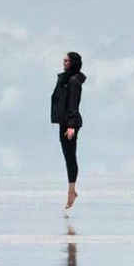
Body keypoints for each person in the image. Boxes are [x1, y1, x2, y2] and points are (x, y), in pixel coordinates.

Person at [51, 51, 86, 210]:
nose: (64, 63)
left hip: (70, 124)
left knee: (70, 156)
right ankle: (71, 190)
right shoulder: (65, 79)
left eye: (67, 61)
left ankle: (71, 192)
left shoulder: (73, 81)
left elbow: (73, 103)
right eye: (63, 60)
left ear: (73, 63)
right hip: (64, 122)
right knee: (68, 156)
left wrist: (71, 126)